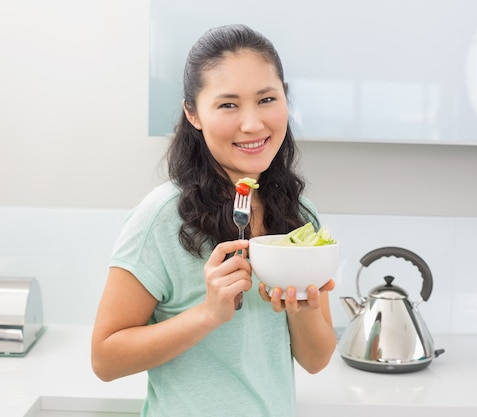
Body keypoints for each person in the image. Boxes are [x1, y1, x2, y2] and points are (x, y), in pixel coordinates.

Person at [91, 23, 336, 417]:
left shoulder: (300, 219)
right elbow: (105, 359)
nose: (253, 124)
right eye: (228, 104)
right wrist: (207, 314)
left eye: (267, 99)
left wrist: (302, 307)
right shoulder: (161, 217)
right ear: (194, 113)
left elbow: (316, 359)